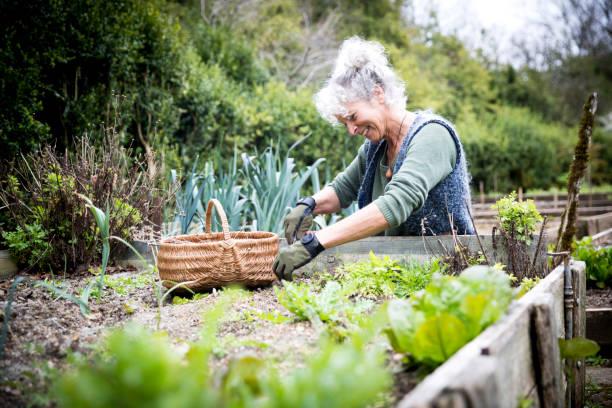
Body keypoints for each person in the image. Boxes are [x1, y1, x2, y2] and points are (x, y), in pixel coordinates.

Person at [273, 36, 474, 280]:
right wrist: (309, 205)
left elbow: (396, 203)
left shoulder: (433, 134)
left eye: (353, 116)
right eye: (344, 123)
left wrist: (315, 242)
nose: (351, 129)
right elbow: (343, 189)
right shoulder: (376, 146)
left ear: (378, 94)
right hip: (401, 268)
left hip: (449, 271)